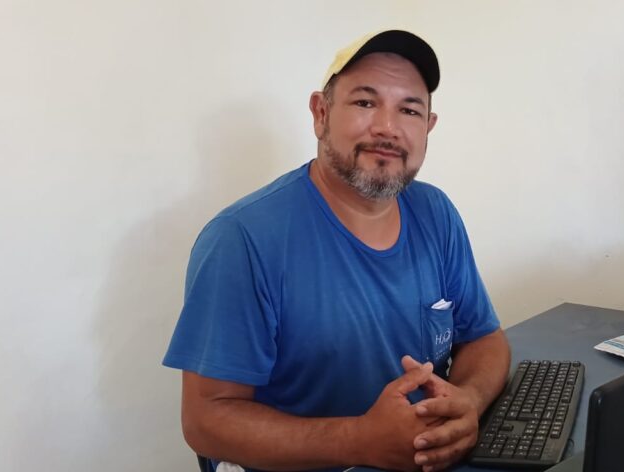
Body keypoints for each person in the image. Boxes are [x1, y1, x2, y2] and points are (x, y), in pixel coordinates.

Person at [162, 29, 511, 472]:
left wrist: (467, 402)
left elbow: (483, 338)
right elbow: (206, 420)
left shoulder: (435, 213)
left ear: (428, 127)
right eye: (365, 102)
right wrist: (359, 440)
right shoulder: (243, 239)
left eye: (409, 110)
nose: (387, 127)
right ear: (321, 113)